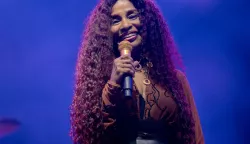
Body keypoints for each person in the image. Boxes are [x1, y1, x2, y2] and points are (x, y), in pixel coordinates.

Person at [70, 0, 204, 144]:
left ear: (146, 20)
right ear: (106, 31)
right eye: (116, 20)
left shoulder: (174, 80)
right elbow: (100, 134)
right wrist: (114, 84)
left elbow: (195, 137)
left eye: (132, 16)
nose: (126, 25)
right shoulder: (100, 81)